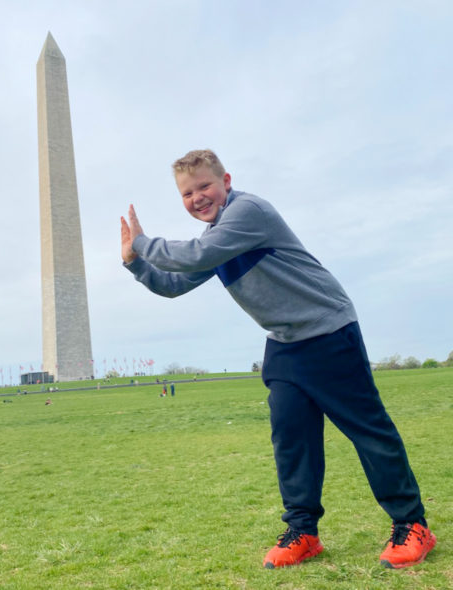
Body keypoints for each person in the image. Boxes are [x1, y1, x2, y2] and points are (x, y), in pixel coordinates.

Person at [120, 149, 434, 570]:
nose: (197, 197)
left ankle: (413, 526)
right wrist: (135, 263)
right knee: (292, 440)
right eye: (187, 193)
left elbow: (193, 255)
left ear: (226, 181)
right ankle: (303, 532)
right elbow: (174, 283)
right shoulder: (219, 238)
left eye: (204, 186)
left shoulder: (247, 212)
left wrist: (143, 242)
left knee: (368, 431)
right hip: (285, 345)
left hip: (328, 330)